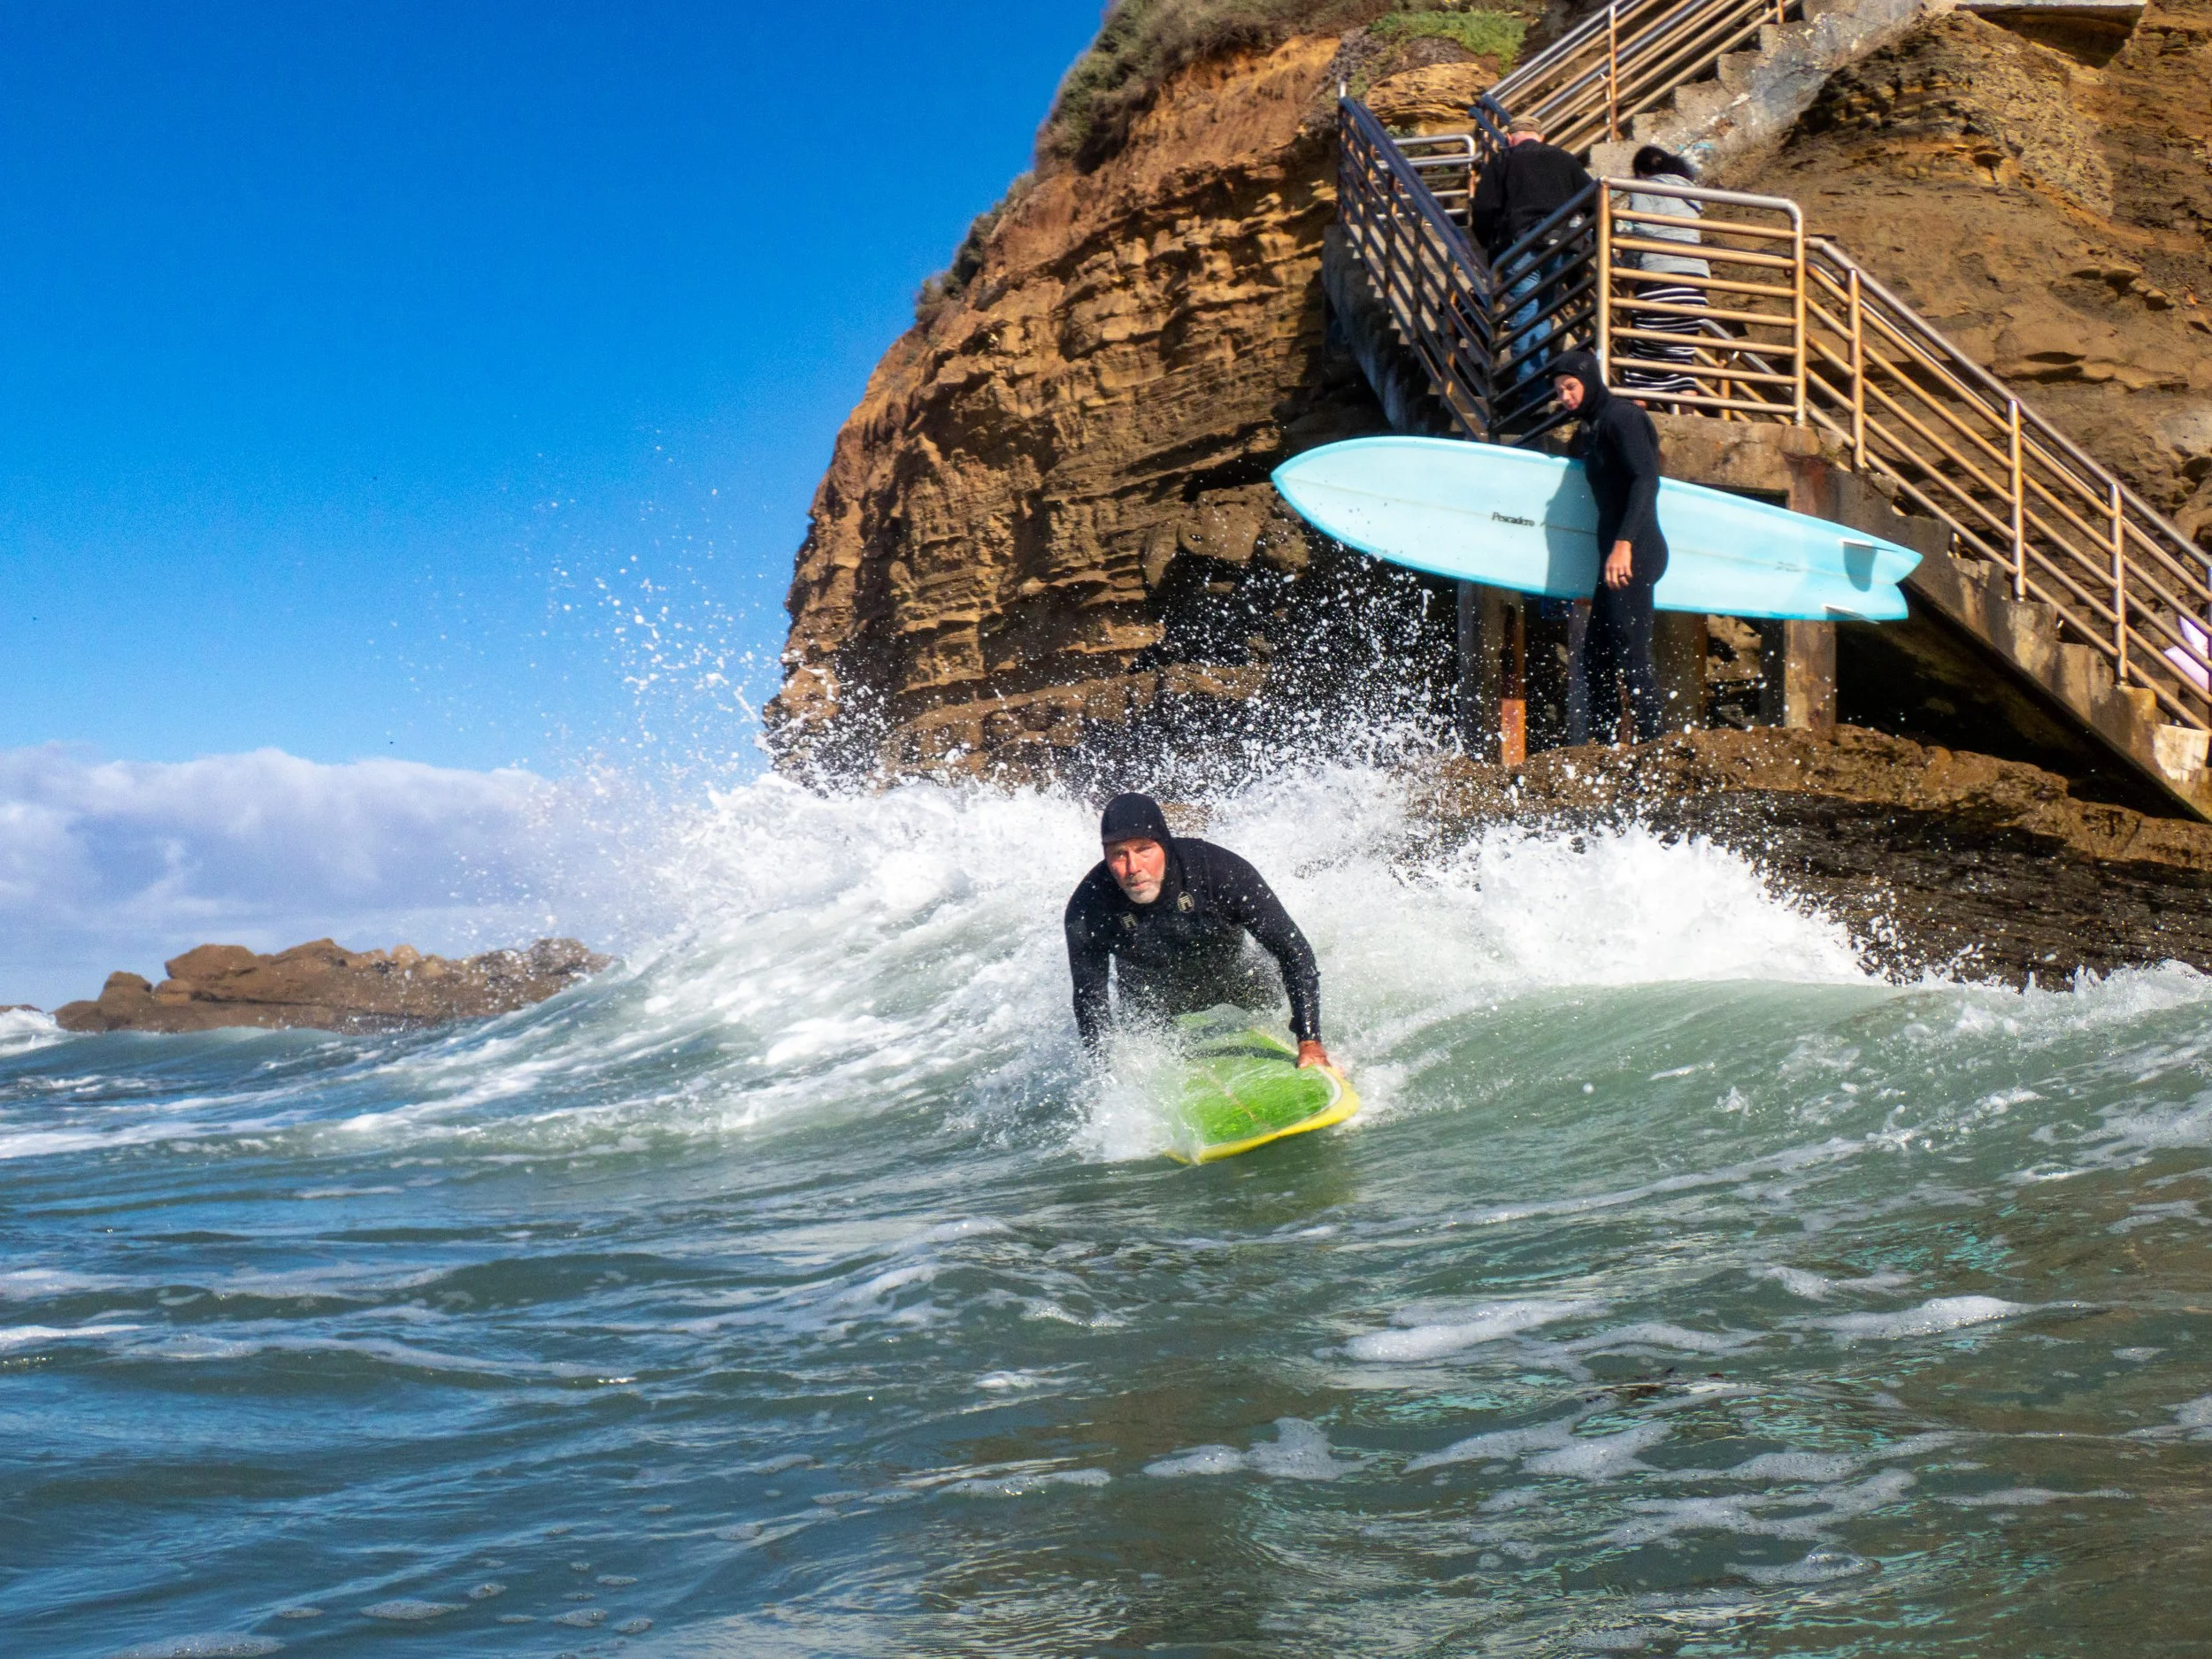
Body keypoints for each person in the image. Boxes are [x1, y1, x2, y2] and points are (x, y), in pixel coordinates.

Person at [1064, 792, 1329, 1067]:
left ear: (1165, 846)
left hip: (1237, 978)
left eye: (1144, 849)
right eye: (1119, 854)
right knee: (1144, 1054)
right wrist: (1105, 1074)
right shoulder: (1089, 907)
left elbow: (1293, 949)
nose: (1133, 868)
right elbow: (1090, 1000)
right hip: (1151, 1003)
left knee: (1274, 1002)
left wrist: (1310, 1040)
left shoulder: (1218, 872)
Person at [1552, 349, 1671, 745]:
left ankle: (1655, 750)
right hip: (1613, 559)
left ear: (1590, 380)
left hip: (1635, 552)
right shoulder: (1594, 427)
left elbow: (1646, 480)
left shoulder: (1623, 418)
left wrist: (1623, 545)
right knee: (1596, 659)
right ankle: (1602, 754)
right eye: (1560, 392)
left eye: (1571, 387)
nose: (1566, 397)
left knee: (1631, 655)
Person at [1471, 115, 1594, 394]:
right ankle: (1538, 388)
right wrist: (1591, 239)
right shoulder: (1564, 159)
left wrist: (1489, 246)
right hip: (1561, 245)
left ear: (1509, 138)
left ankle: (1529, 390)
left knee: (1526, 313)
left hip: (1521, 246)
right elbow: (1594, 199)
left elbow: (1484, 209)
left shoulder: (1503, 160)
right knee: (1544, 312)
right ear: (1541, 136)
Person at [1615, 146, 1709, 406]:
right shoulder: (1690, 193)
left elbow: (1639, 234)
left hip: (1660, 279)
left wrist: (1627, 272)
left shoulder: (1645, 189)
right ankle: (1689, 419)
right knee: (1682, 361)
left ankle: (1636, 420)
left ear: (1642, 172)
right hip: (1696, 284)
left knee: (1640, 362)